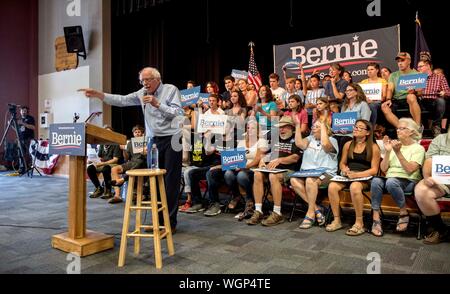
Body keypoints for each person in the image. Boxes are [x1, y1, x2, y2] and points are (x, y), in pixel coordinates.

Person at [79, 67, 184, 232]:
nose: (144, 84)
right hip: (153, 141)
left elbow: (179, 113)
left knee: (170, 182)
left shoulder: (171, 90)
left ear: (157, 79)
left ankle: (170, 223)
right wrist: (100, 95)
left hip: (172, 139)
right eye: (142, 80)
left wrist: (158, 104)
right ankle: (158, 222)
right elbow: (122, 100)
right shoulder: (141, 93)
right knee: (155, 181)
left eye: (147, 80)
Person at [370, 118, 425, 237]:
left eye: (402, 128)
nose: (398, 131)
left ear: (411, 132)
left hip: (409, 180)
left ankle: (403, 212)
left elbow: (410, 169)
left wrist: (398, 152)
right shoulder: (394, 147)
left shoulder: (418, 149)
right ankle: (376, 218)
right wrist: (388, 151)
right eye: (397, 128)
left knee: (391, 182)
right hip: (391, 179)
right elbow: (384, 169)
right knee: (375, 181)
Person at [326, 120, 381, 235]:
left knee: (355, 187)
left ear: (367, 133)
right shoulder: (348, 144)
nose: (356, 129)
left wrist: (357, 175)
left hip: (364, 177)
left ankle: (359, 223)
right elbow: (342, 163)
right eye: (355, 127)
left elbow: (374, 170)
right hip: (349, 175)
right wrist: (344, 169)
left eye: (360, 128)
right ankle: (337, 220)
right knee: (332, 186)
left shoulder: (374, 147)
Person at [247, 116, 301, 226]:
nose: (281, 129)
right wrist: (262, 159)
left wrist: (280, 159)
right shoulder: (275, 138)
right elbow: (265, 152)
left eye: (284, 127)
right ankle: (258, 210)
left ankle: (277, 212)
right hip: (273, 169)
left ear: (291, 127)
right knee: (257, 173)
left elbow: (295, 157)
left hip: (290, 170)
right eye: (280, 127)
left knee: (273, 176)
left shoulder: (297, 139)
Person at [290, 119, 339, 229]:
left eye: (317, 127)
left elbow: (326, 145)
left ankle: (310, 214)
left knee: (310, 180)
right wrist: (298, 125)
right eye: (313, 126)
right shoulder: (309, 139)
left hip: (326, 173)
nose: (313, 128)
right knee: (294, 180)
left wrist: (323, 127)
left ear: (325, 130)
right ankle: (316, 209)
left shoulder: (332, 140)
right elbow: (299, 144)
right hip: (308, 172)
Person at [414, 130, 450, 244]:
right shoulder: (440, 139)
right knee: (421, 191)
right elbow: (429, 160)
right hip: (443, 180)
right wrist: (427, 176)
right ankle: (441, 230)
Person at [109, 125, 147, 204]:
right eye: (135, 132)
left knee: (139, 162)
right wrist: (124, 150)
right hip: (132, 162)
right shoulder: (130, 143)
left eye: (139, 132)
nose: (137, 133)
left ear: (142, 133)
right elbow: (126, 158)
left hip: (142, 162)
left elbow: (147, 156)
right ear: (133, 134)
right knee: (114, 169)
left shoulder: (145, 141)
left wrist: (144, 150)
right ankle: (117, 195)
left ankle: (122, 180)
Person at [383, 52, 421, 127]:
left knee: (411, 96)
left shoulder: (417, 74)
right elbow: (390, 89)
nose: (400, 63)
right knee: (384, 106)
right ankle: (401, 128)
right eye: (398, 61)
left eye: (402, 60)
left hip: (411, 100)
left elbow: (420, 92)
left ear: (409, 61)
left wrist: (414, 91)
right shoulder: (393, 75)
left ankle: (417, 127)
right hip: (397, 100)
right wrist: (388, 99)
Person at [87, 125, 123, 200]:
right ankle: (98, 188)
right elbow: (99, 156)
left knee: (106, 169)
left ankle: (108, 190)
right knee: (90, 168)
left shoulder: (115, 143)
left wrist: (102, 163)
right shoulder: (102, 144)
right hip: (102, 163)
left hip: (113, 164)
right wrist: (92, 159)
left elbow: (115, 159)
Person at [416, 59, 450, 137]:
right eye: (418, 67)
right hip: (421, 101)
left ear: (428, 66)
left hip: (434, 100)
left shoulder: (440, 77)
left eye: (420, 66)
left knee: (441, 101)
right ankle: (418, 127)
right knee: (412, 100)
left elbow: (448, 91)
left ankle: (436, 126)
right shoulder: (417, 78)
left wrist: (444, 93)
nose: (418, 69)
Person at [17, 106, 35, 171]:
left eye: (24, 111)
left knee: (29, 153)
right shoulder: (19, 119)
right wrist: (11, 125)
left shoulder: (30, 118)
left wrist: (23, 124)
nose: (23, 112)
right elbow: (18, 130)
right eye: (22, 111)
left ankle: (30, 167)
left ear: (27, 111)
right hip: (20, 139)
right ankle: (22, 168)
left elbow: (33, 127)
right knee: (20, 154)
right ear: (20, 112)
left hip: (28, 138)